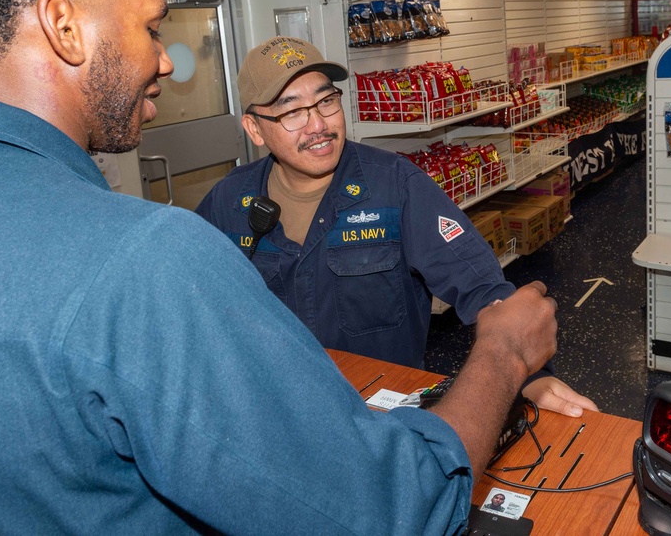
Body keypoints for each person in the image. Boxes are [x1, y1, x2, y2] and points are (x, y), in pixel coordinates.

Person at [0, 0, 560, 534]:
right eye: (150, 27)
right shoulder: (148, 254)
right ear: (63, 26)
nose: (168, 61)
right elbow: (391, 511)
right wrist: (503, 357)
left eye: (326, 101)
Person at [195, 36, 599, 417]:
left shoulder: (397, 185)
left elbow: (481, 287)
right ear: (254, 129)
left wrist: (526, 375)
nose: (317, 125)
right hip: (274, 407)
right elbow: (187, 301)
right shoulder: (228, 203)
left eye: (326, 102)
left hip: (380, 414)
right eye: (292, 111)